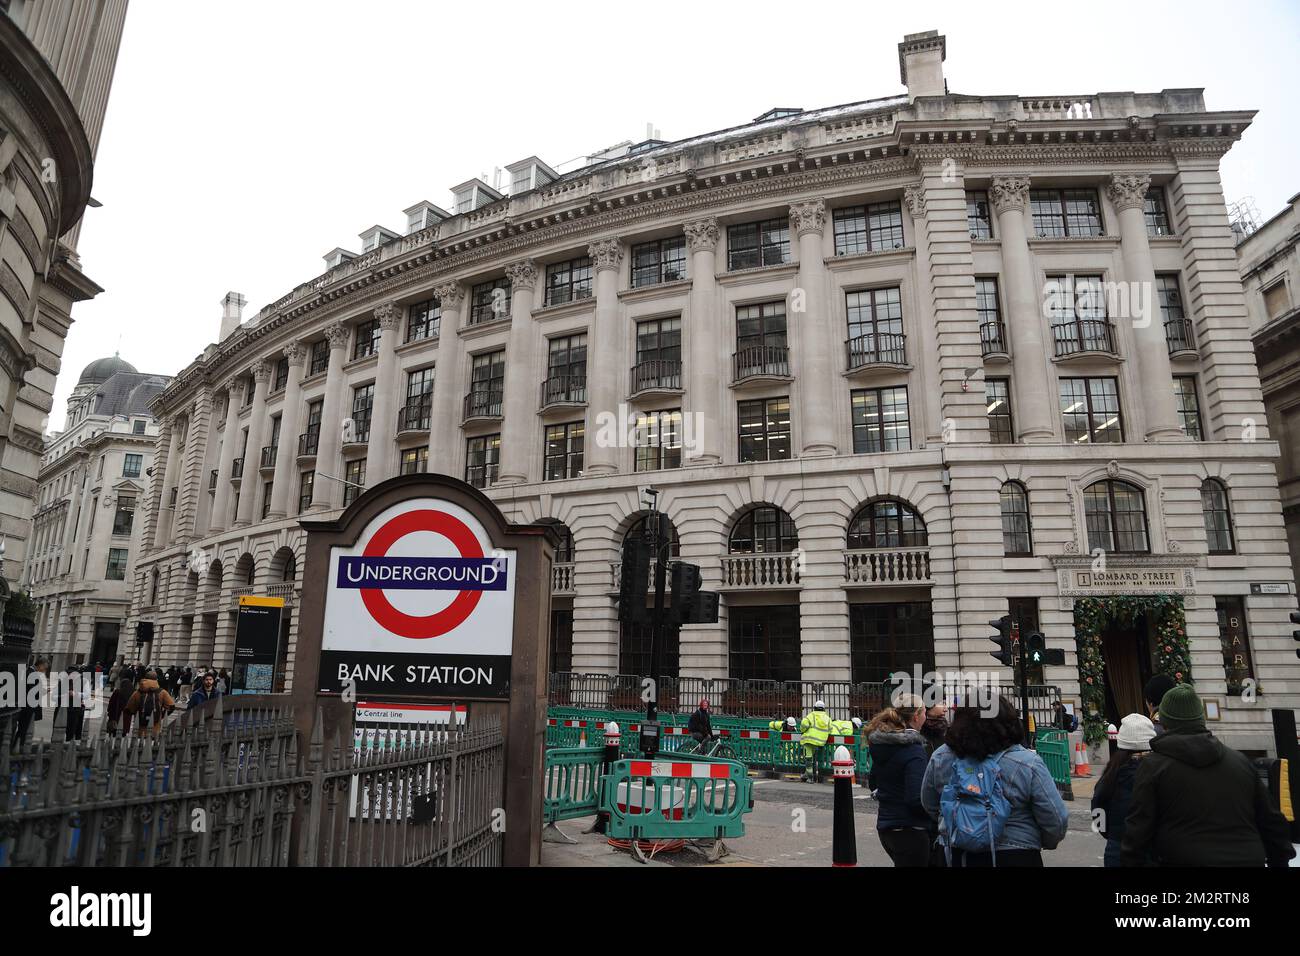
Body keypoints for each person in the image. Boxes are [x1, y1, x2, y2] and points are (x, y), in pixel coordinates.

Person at [1121, 684, 1294, 867]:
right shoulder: (1240, 761)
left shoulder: (1153, 766)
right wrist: (1279, 859)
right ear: (1200, 719)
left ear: (1165, 723)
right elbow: (1272, 822)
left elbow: (1137, 832)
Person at [921, 695, 1069, 867]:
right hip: (1016, 852)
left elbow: (929, 803)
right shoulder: (1027, 762)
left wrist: (958, 821)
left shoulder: (941, 756)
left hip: (955, 851)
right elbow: (1055, 818)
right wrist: (1037, 839)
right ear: (1008, 721)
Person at [865, 694, 932, 866]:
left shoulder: (883, 744)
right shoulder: (913, 750)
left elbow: (873, 782)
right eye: (924, 712)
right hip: (910, 830)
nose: (926, 716)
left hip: (887, 827)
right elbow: (916, 798)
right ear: (916, 716)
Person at [1091, 713, 1155, 867]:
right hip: (1154, 849)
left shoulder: (1112, 773)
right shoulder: (1161, 771)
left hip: (1117, 849)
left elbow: (1097, 809)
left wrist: (1111, 835)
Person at [9, 658, 48, 752]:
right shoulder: (31, 673)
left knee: (23, 729)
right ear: (40, 665)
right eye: (45, 668)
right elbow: (30, 691)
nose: (45, 670)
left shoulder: (30, 672)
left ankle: (17, 747)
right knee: (24, 729)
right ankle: (18, 748)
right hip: (28, 707)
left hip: (27, 705)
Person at [126, 668, 175, 739]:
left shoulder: (138, 692)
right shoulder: (162, 692)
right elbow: (171, 706)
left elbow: (129, 708)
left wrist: (136, 713)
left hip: (140, 728)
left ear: (145, 678)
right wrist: (161, 715)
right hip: (155, 728)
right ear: (156, 679)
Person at [799, 700, 832, 783]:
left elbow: (804, 724)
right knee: (812, 758)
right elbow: (830, 729)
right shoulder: (827, 718)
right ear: (824, 709)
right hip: (821, 742)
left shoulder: (811, 715)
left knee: (808, 759)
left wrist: (802, 731)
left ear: (814, 708)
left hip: (809, 739)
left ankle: (810, 778)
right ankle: (805, 775)